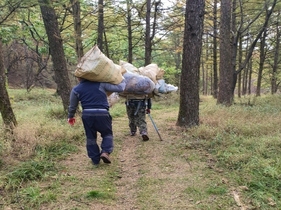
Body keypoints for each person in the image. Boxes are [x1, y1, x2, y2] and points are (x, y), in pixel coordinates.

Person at [67, 77, 126, 165]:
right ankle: (105, 152)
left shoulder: (76, 89)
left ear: (80, 78)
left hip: (87, 114)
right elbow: (120, 88)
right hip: (102, 113)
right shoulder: (101, 84)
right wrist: (122, 79)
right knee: (107, 134)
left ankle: (95, 159)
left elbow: (72, 106)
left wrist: (70, 116)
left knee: (91, 137)